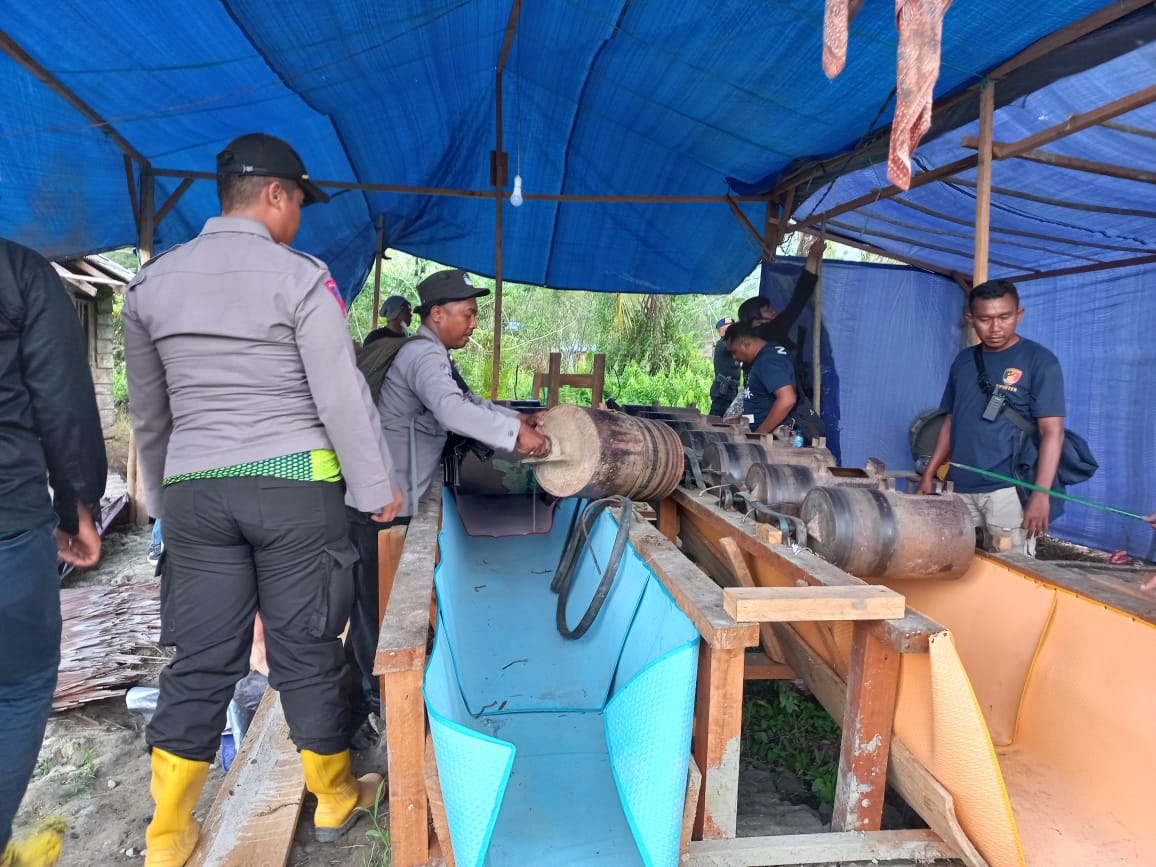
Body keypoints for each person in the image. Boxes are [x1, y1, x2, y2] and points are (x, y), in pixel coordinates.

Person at [123, 132, 403, 866]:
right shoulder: (302, 279)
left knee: (201, 659)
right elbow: (340, 397)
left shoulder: (151, 286)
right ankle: (336, 796)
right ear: (275, 194)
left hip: (195, 490)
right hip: (294, 489)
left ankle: (168, 834)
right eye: (298, 202)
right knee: (306, 646)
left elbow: (150, 414)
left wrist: (167, 501)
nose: (299, 218)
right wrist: (375, 487)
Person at [343, 270, 549, 746]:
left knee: (378, 608)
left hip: (395, 499)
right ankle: (378, 713)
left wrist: (518, 417)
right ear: (437, 314)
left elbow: (466, 400)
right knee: (376, 614)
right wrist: (517, 435)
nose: (474, 323)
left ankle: (373, 704)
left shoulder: (431, 355)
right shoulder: (422, 356)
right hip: (380, 507)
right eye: (468, 314)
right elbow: (453, 412)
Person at [1, 238, 107, 866]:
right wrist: (76, 508)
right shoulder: (17, 273)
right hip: (7, 525)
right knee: (17, 686)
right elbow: (62, 403)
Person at [918, 279, 1065, 556]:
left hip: (1008, 490)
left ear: (1019, 315)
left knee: (1011, 568)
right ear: (970, 318)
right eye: (985, 319)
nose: (995, 328)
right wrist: (929, 474)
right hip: (959, 487)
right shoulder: (964, 361)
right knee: (955, 561)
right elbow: (951, 420)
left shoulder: (1040, 361)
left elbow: (1053, 433)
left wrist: (1041, 494)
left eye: (1004, 317)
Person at [722, 320, 825, 439]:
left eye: (734, 351)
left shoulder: (769, 361)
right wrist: (744, 419)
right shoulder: (766, 355)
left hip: (776, 438)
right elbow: (763, 398)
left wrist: (760, 434)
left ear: (746, 344)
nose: (734, 357)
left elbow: (787, 399)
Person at [737, 241, 826, 351]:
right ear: (754, 318)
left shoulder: (749, 340)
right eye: (767, 310)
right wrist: (813, 256)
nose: (773, 311)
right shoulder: (769, 331)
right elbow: (798, 300)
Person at [708, 317, 740, 417]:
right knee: (715, 419)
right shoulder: (722, 344)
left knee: (729, 420)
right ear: (722, 330)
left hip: (732, 391)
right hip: (722, 392)